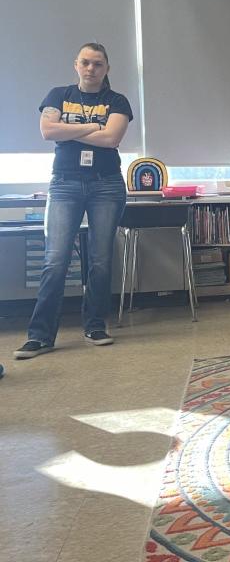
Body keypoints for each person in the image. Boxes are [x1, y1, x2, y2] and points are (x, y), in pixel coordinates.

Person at [15, 43, 133, 359]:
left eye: (97, 64)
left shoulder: (117, 101)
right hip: (64, 184)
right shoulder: (58, 95)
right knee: (55, 259)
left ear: (107, 68)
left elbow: (112, 139)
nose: (91, 68)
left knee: (99, 259)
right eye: (85, 62)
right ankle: (40, 336)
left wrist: (67, 130)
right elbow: (46, 131)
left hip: (106, 186)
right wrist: (93, 125)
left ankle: (95, 326)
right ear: (76, 65)